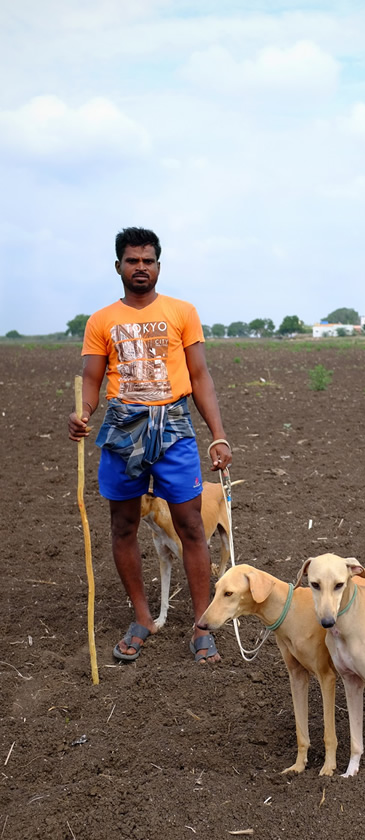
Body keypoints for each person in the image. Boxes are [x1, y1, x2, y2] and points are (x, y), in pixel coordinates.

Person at [68, 226, 232, 664]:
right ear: (118, 265)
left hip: (174, 427)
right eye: (132, 260)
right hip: (123, 428)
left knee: (192, 526)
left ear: (158, 265)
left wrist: (217, 434)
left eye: (148, 260)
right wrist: (83, 413)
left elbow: (199, 377)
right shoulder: (102, 320)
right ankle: (142, 617)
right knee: (124, 525)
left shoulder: (182, 312)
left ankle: (202, 625)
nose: (140, 267)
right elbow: (91, 378)